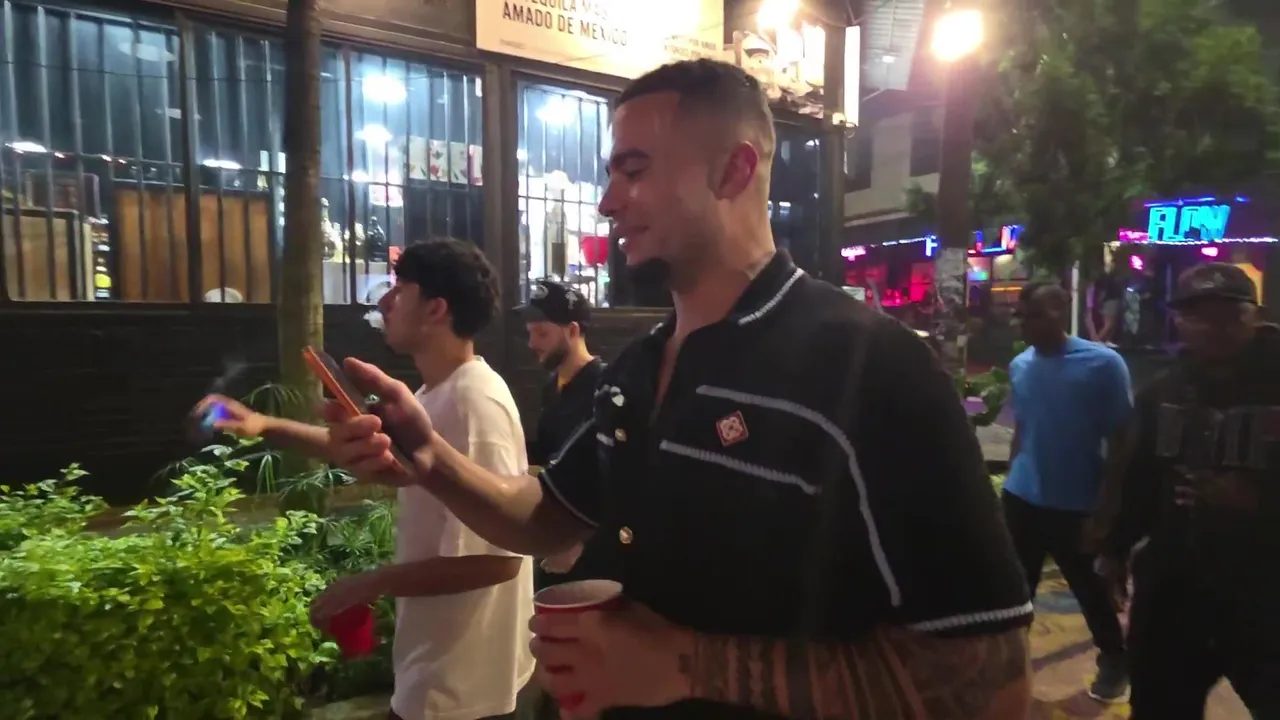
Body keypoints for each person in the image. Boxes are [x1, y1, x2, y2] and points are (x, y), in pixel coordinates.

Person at [321, 59, 1033, 720]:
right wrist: (428, 456)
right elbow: (550, 517)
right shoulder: (637, 367)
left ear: (735, 170)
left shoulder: (873, 367)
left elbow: (990, 679)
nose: (608, 202)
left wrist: (685, 665)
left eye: (634, 171)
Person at [194, 239, 535, 720]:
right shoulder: (435, 394)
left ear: (436, 308)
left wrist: (367, 583)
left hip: (461, 689)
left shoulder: (474, 402)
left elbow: (498, 561)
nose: (385, 300)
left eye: (401, 288)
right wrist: (264, 424)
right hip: (440, 670)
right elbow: (374, 454)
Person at [1093, 263, 1280, 719]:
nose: (1213, 328)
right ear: (1178, 321)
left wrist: (1260, 502)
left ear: (1254, 316)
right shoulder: (1164, 391)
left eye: (1228, 315)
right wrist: (1114, 548)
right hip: (1175, 590)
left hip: (1266, 592)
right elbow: (1138, 476)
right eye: (1197, 315)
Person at [1003, 283, 1132, 702]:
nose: (1026, 324)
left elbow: (1122, 441)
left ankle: (1114, 659)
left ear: (1062, 310)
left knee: (1091, 591)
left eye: (1035, 315)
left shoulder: (1103, 364)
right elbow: (1023, 427)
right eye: (1022, 316)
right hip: (1021, 497)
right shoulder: (1020, 365)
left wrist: (1107, 510)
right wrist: (1012, 474)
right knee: (1015, 590)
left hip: (1076, 503)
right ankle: (1010, 665)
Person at [519, 278, 608, 720]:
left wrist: (577, 539)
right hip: (551, 536)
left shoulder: (605, 386)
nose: (531, 342)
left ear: (573, 330)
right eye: (530, 332)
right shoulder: (551, 386)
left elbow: (610, 474)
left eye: (542, 332)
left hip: (587, 549)